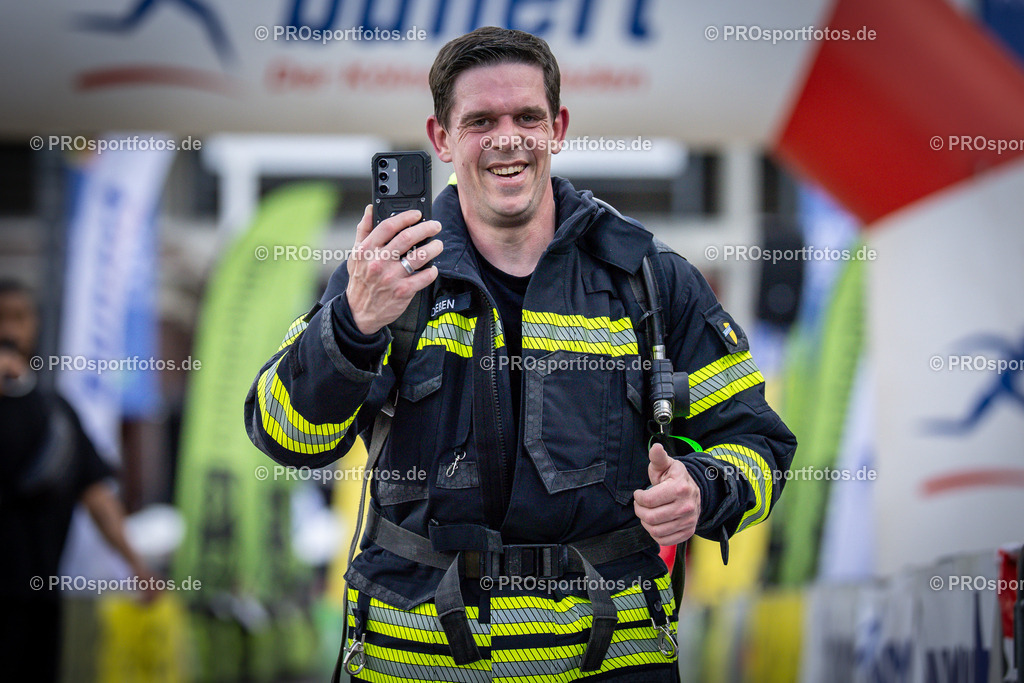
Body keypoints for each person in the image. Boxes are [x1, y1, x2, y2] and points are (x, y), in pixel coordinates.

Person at [245, 27, 796, 682]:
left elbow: (761, 446)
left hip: (611, 665)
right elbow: (283, 433)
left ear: (557, 127)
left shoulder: (647, 278)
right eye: (480, 120)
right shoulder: (383, 277)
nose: (507, 137)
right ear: (441, 137)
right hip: (418, 669)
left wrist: (704, 489)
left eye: (526, 117)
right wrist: (353, 322)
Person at [0, 279, 155, 683]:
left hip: (42, 601)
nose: (10, 331)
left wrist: (136, 565)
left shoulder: (56, 412)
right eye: (2, 319)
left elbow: (96, 496)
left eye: (19, 317)